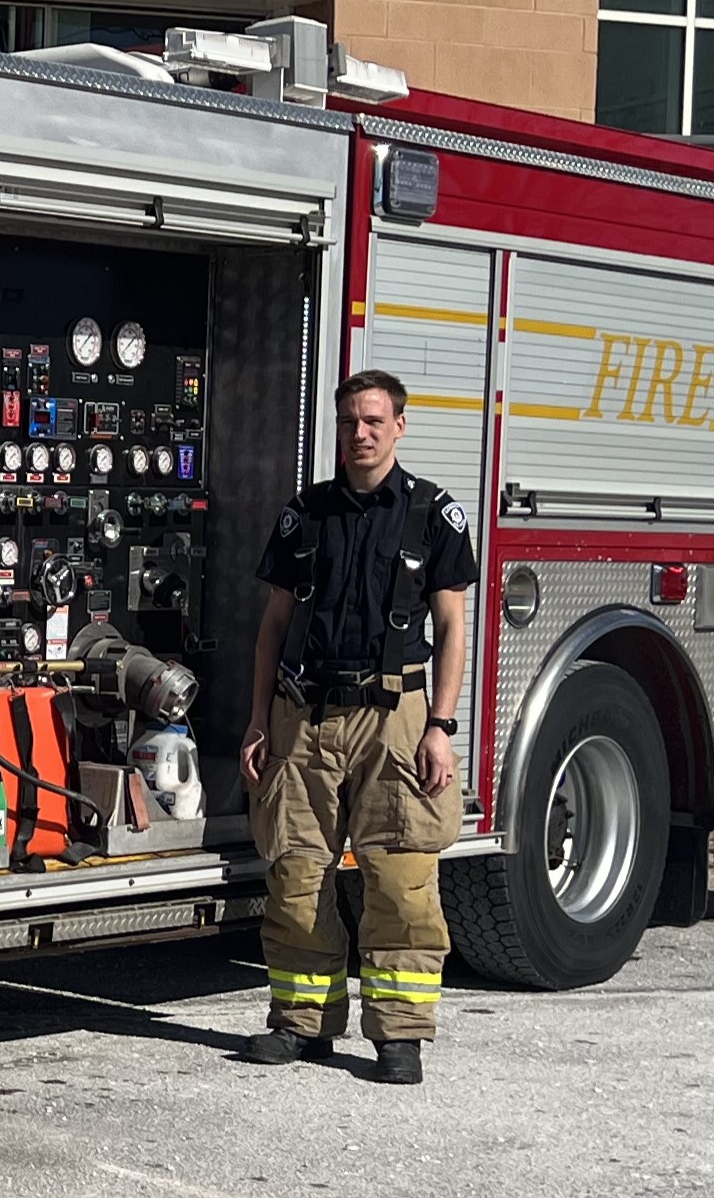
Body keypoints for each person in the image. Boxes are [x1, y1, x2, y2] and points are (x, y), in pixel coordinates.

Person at [238, 368, 480, 1084]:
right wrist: (257, 721)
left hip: (396, 718)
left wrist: (440, 724)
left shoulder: (433, 515)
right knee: (295, 875)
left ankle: (399, 1035)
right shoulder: (305, 515)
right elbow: (272, 627)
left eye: (374, 420)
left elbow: (452, 626)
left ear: (399, 425)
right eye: (350, 421)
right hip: (304, 716)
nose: (360, 433)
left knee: (403, 879)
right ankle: (300, 1022)